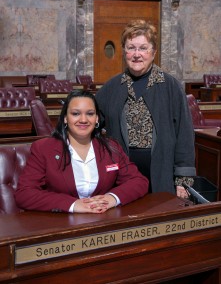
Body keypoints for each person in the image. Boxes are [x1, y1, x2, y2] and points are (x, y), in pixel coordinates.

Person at [95, 19, 196, 198]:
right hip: (122, 175)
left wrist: (183, 179)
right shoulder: (111, 87)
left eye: (143, 48)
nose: (136, 54)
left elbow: (184, 133)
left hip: (162, 172)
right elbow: (91, 125)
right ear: (124, 51)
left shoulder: (171, 86)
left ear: (153, 52)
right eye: (131, 47)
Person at [15, 90, 149, 213]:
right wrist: (73, 204)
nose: (83, 120)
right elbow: (24, 194)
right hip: (61, 224)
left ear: (97, 119)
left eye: (90, 114)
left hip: (104, 220)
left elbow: (139, 181)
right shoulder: (44, 148)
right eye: (76, 113)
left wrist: (112, 198)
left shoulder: (111, 147)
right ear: (65, 118)